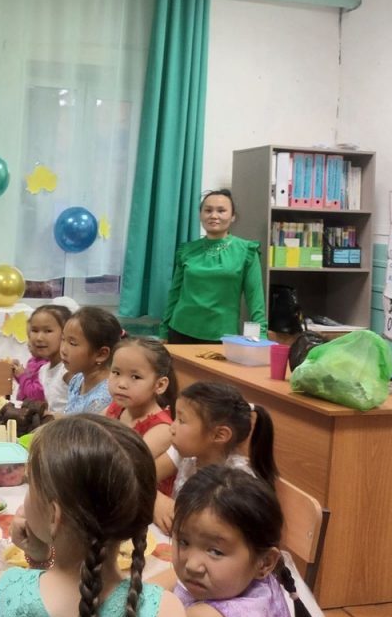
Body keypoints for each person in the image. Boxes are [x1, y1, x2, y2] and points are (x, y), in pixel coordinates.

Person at [0, 415, 187, 617]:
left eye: (31, 486)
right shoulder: (166, 614)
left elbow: (38, 603)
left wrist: (39, 560)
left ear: (53, 516)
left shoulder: (1, 591)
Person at [171, 466, 316, 617]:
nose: (191, 565)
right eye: (184, 542)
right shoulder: (249, 581)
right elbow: (170, 578)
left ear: (265, 563)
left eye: (215, 552)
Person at [153, 382, 277, 534]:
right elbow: (142, 476)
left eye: (181, 421)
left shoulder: (238, 480)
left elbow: (218, 535)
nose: (172, 428)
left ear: (219, 435)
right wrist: (156, 499)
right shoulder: (186, 452)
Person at [159, 190, 266, 344]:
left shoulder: (246, 251)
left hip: (222, 335)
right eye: (208, 210)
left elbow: (255, 299)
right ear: (200, 215)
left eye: (221, 211)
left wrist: (261, 336)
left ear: (233, 216)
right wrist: (164, 330)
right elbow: (174, 293)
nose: (214, 216)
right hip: (180, 330)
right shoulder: (187, 250)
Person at [105, 337, 178, 495]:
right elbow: (88, 433)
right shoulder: (116, 408)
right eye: (116, 373)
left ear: (160, 385)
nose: (121, 384)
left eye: (135, 377)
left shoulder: (162, 429)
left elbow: (122, 468)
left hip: (135, 498)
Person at [61, 306, 123, 415]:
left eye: (72, 343)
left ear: (101, 354)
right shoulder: (77, 379)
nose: (63, 350)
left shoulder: (105, 396)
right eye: (62, 339)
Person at [14, 303, 72, 411]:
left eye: (48, 331)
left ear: (65, 334)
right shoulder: (43, 370)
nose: (39, 338)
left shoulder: (69, 372)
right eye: (35, 330)